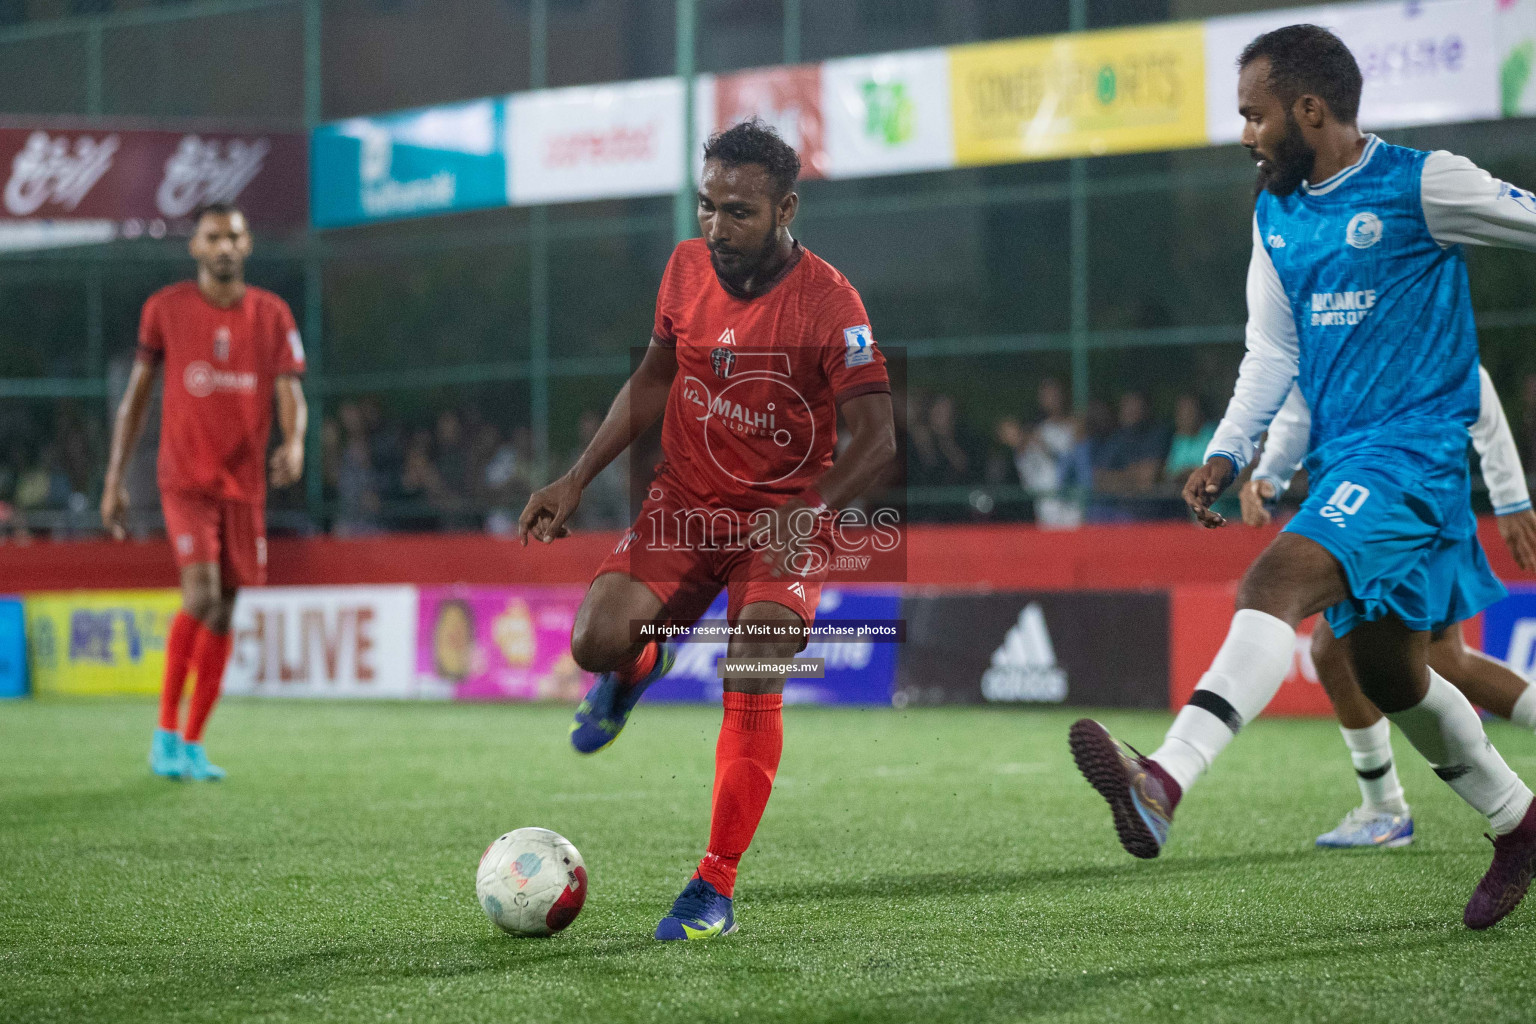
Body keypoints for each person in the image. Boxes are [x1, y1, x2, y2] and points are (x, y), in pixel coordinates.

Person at [1068, 25, 1536, 929]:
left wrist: (1508, 486)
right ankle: (1518, 821)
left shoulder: (1422, 183)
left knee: (1272, 583)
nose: (1245, 134)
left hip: (1416, 460)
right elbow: (1272, 350)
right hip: (1344, 465)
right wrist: (1229, 451)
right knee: (1393, 674)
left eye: (1255, 115)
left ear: (1309, 111)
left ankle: (1162, 779)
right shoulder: (1275, 213)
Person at [517, 120, 895, 941]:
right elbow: (654, 377)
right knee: (594, 641)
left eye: (739, 212)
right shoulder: (685, 269)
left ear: (786, 207)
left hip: (782, 523)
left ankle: (712, 886)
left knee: (753, 661)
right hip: (684, 504)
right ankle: (638, 666)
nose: (717, 228)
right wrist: (576, 478)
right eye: (707, 207)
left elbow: (879, 440)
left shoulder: (833, 304)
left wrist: (816, 510)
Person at [1241, 372, 1536, 847]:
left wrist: (1510, 499)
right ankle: (1385, 807)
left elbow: (1478, 393)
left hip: (1400, 504)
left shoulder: (1399, 318)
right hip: (1411, 497)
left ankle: (1385, 808)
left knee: (1348, 650)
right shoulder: (1387, 320)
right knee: (1437, 658)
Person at [102, 203, 307, 781]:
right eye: (213, 236)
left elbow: (291, 390)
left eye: (234, 236)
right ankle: (163, 733)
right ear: (195, 246)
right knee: (201, 594)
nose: (224, 245)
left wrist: (294, 443)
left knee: (225, 608)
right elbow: (136, 399)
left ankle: (192, 744)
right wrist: (115, 478)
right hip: (185, 480)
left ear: (246, 246)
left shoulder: (272, 314)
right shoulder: (165, 309)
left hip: (243, 487)